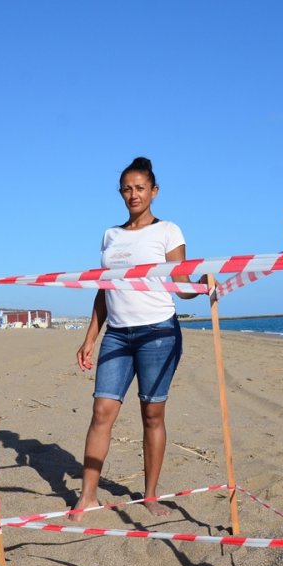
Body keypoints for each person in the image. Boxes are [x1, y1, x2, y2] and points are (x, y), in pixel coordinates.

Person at [70, 156, 203, 522]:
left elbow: (180, 284)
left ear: (153, 191)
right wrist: (90, 339)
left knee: (152, 414)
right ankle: (87, 497)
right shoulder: (110, 236)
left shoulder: (168, 232)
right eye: (127, 189)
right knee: (101, 412)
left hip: (158, 332)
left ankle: (150, 496)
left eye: (140, 188)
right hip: (117, 334)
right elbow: (103, 290)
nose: (133, 194)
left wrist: (203, 286)